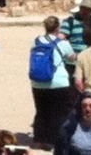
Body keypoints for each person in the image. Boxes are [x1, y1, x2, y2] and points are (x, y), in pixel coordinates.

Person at [30, 16, 79, 145]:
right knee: (59, 112)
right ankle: (54, 140)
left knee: (41, 110)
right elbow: (72, 58)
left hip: (38, 82)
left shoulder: (36, 41)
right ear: (58, 28)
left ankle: (39, 139)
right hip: (58, 83)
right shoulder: (62, 43)